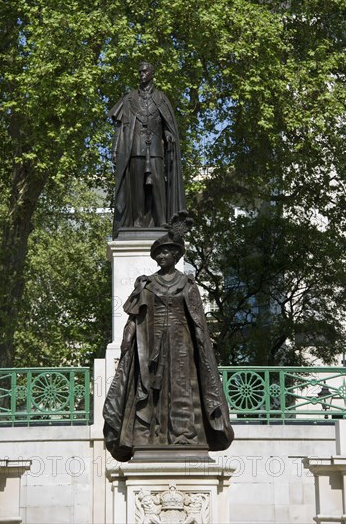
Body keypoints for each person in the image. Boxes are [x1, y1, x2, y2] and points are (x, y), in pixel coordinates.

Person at [103, 224, 234, 462]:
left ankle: (183, 435)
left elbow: (198, 322)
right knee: (151, 386)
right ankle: (149, 434)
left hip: (182, 343)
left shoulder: (187, 284)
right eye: (159, 253)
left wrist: (202, 349)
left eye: (167, 252)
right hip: (152, 342)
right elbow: (135, 316)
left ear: (176, 256)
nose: (162, 256)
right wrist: (127, 339)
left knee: (182, 386)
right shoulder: (147, 284)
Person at [108, 62, 186, 238]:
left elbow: (168, 125)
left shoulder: (161, 98)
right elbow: (119, 127)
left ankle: (161, 221)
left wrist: (168, 135)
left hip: (156, 148)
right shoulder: (128, 99)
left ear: (152, 73)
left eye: (145, 71)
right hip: (135, 147)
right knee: (136, 187)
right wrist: (115, 149)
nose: (141, 74)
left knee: (158, 184)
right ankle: (137, 222)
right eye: (140, 71)